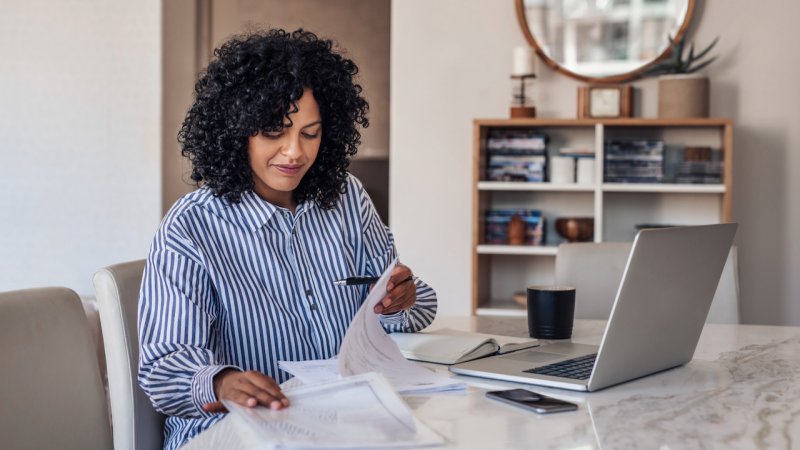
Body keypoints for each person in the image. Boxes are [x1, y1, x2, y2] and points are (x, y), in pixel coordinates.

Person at [138, 29, 437, 450]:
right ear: (236, 130)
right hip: (234, 433)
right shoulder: (191, 227)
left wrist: (402, 299)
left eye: (310, 134)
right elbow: (164, 369)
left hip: (343, 423)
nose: (294, 152)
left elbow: (400, 312)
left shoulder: (348, 198)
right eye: (274, 132)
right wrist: (222, 382)